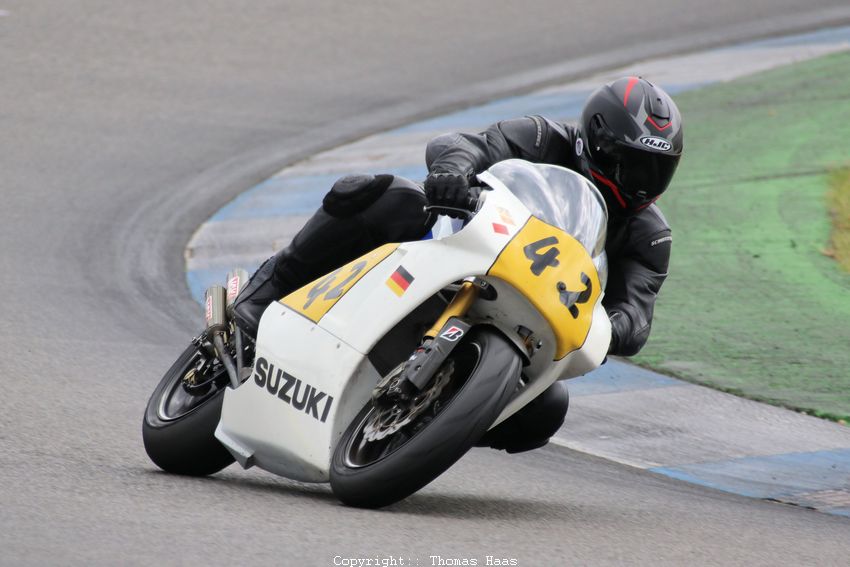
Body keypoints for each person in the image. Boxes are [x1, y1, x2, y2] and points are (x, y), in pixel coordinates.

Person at [232, 76, 683, 453]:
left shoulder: (649, 235)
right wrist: (452, 171)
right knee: (382, 195)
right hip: (461, 247)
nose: (640, 183)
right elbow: (468, 144)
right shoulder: (543, 137)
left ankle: (437, 421)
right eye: (631, 164)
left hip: (530, 314)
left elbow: (637, 314)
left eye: (655, 170)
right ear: (597, 142)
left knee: (547, 409)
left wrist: (608, 325)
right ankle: (262, 296)